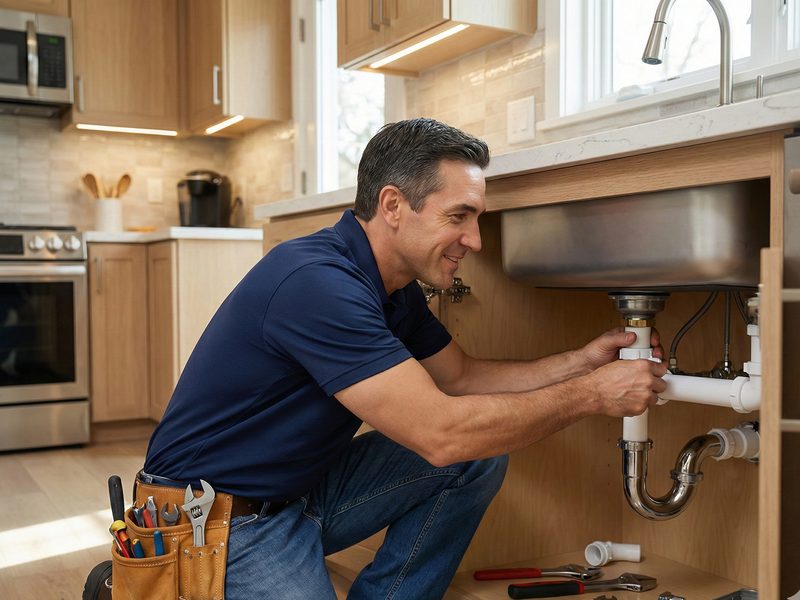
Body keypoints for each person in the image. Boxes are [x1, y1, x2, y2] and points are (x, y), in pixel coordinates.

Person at [142, 118, 666, 599]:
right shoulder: (316, 283)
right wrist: (594, 395)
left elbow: (462, 379)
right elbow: (442, 434)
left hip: (298, 491)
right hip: (217, 521)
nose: (476, 241)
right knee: (458, 442)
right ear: (393, 206)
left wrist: (583, 363)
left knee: (476, 457)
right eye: (458, 216)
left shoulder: (392, 287)